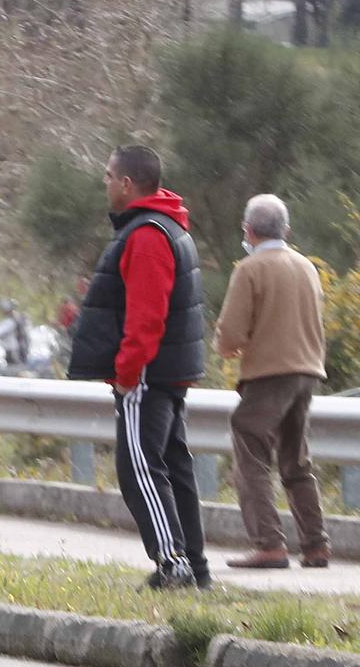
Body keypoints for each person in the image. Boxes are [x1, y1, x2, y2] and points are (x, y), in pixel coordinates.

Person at [65, 145, 209, 590]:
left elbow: (146, 317)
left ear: (127, 184)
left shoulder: (146, 235)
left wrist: (127, 374)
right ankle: (195, 568)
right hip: (169, 371)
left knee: (139, 469)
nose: (105, 183)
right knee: (172, 467)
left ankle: (173, 565)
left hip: (145, 375)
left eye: (109, 176)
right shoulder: (169, 227)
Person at [214, 194, 331, 570]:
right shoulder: (306, 267)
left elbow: (231, 333)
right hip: (308, 372)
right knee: (296, 460)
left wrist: (225, 347)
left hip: (268, 373)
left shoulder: (250, 269)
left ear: (249, 230)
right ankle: (315, 545)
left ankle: (269, 544)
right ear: (287, 230)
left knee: (250, 448)